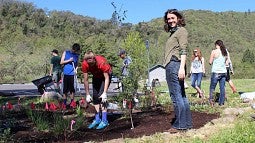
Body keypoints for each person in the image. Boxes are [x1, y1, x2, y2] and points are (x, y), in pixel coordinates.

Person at [163, 9, 192, 132]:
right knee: (181, 95)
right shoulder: (174, 33)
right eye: (168, 19)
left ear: (178, 18)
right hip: (175, 64)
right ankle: (186, 124)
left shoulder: (181, 31)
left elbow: (183, 50)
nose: (170, 21)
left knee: (176, 95)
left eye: (172, 18)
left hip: (174, 64)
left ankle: (180, 125)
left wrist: (181, 68)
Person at [82, 50, 112, 130]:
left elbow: (106, 78)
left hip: (105, 76)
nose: (90, 65)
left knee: (101, 96)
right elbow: (86, 80)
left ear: (94, 59)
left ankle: (105, 120)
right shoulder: (85, 64)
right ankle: (97, 119)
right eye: (89, 64)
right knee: (95, 97)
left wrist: (105, 93)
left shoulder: (101, 62)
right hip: (96, 75)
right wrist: (87, 94)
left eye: (92, 63)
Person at [209, 40, 228, 106]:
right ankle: (221, 103)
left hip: (216, 72)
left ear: (216, 45)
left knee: (212, 87)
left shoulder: (214, 51)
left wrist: (214, 60)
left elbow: (210, 62)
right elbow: (226, 62)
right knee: (222, 87)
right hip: (223, 72)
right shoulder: (225, 52)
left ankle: (211, 102)